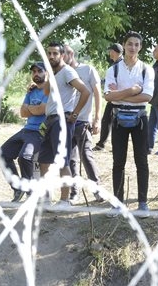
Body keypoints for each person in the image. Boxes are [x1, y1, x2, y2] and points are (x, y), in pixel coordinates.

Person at [104, 31, 155, 216]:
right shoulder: (113, 70)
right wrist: (133, 90)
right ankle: (117, 203)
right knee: (118, 161)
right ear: (124, 45)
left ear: (140, 47)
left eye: (136, 44)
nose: (132, 47)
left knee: (141, 161)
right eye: (129, 44)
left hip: (140, 119)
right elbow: (108, 97)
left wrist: (120, 94)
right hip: (118, 119)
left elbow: (148, 97)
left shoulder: (146, 69)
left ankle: (142, 203)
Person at [37, 42, 90, 207]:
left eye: (55, 53)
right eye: (49, 53)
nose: (51, 56)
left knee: (62, 161)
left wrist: (75, 114)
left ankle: (65, 200)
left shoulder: (67, 71)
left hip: (62, 120)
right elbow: (46, 92)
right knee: (44, 160)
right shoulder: (53, 72)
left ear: (62, 55)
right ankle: (47, 198)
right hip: (49, 120)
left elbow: (85, 91)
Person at [0, 62, 47, 203]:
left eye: (39, 71)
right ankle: (18, 188)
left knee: (25, 157)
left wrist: (31, 108)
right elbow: (22, 113)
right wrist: (35, 108)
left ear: (47, 73)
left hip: (40, 132)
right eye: (33, 72)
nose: (36, 74)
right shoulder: (31, 91)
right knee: (2, 154)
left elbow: (41, 110)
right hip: (26, 129)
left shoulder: (50, 91)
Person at [64, 45, 104, 203]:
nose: (61, 57)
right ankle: (74, 193)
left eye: (64, 54)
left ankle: (97, 190)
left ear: (71, 54)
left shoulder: (88, 70)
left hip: (83, 121)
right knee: (70, 159)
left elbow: (97, 93)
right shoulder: (60, 73)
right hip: (66, 122)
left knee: (86, 155)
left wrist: (97, 118)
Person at [93, 43, 123, 151]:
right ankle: (103, 144)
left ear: (114, 52)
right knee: (107, 121)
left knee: (112, 122)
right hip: (113, 98)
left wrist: (117, 90)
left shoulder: (120, 66)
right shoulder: (116, 65)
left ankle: (104, 144)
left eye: (110, 51)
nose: (109, 53)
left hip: (118, 99)